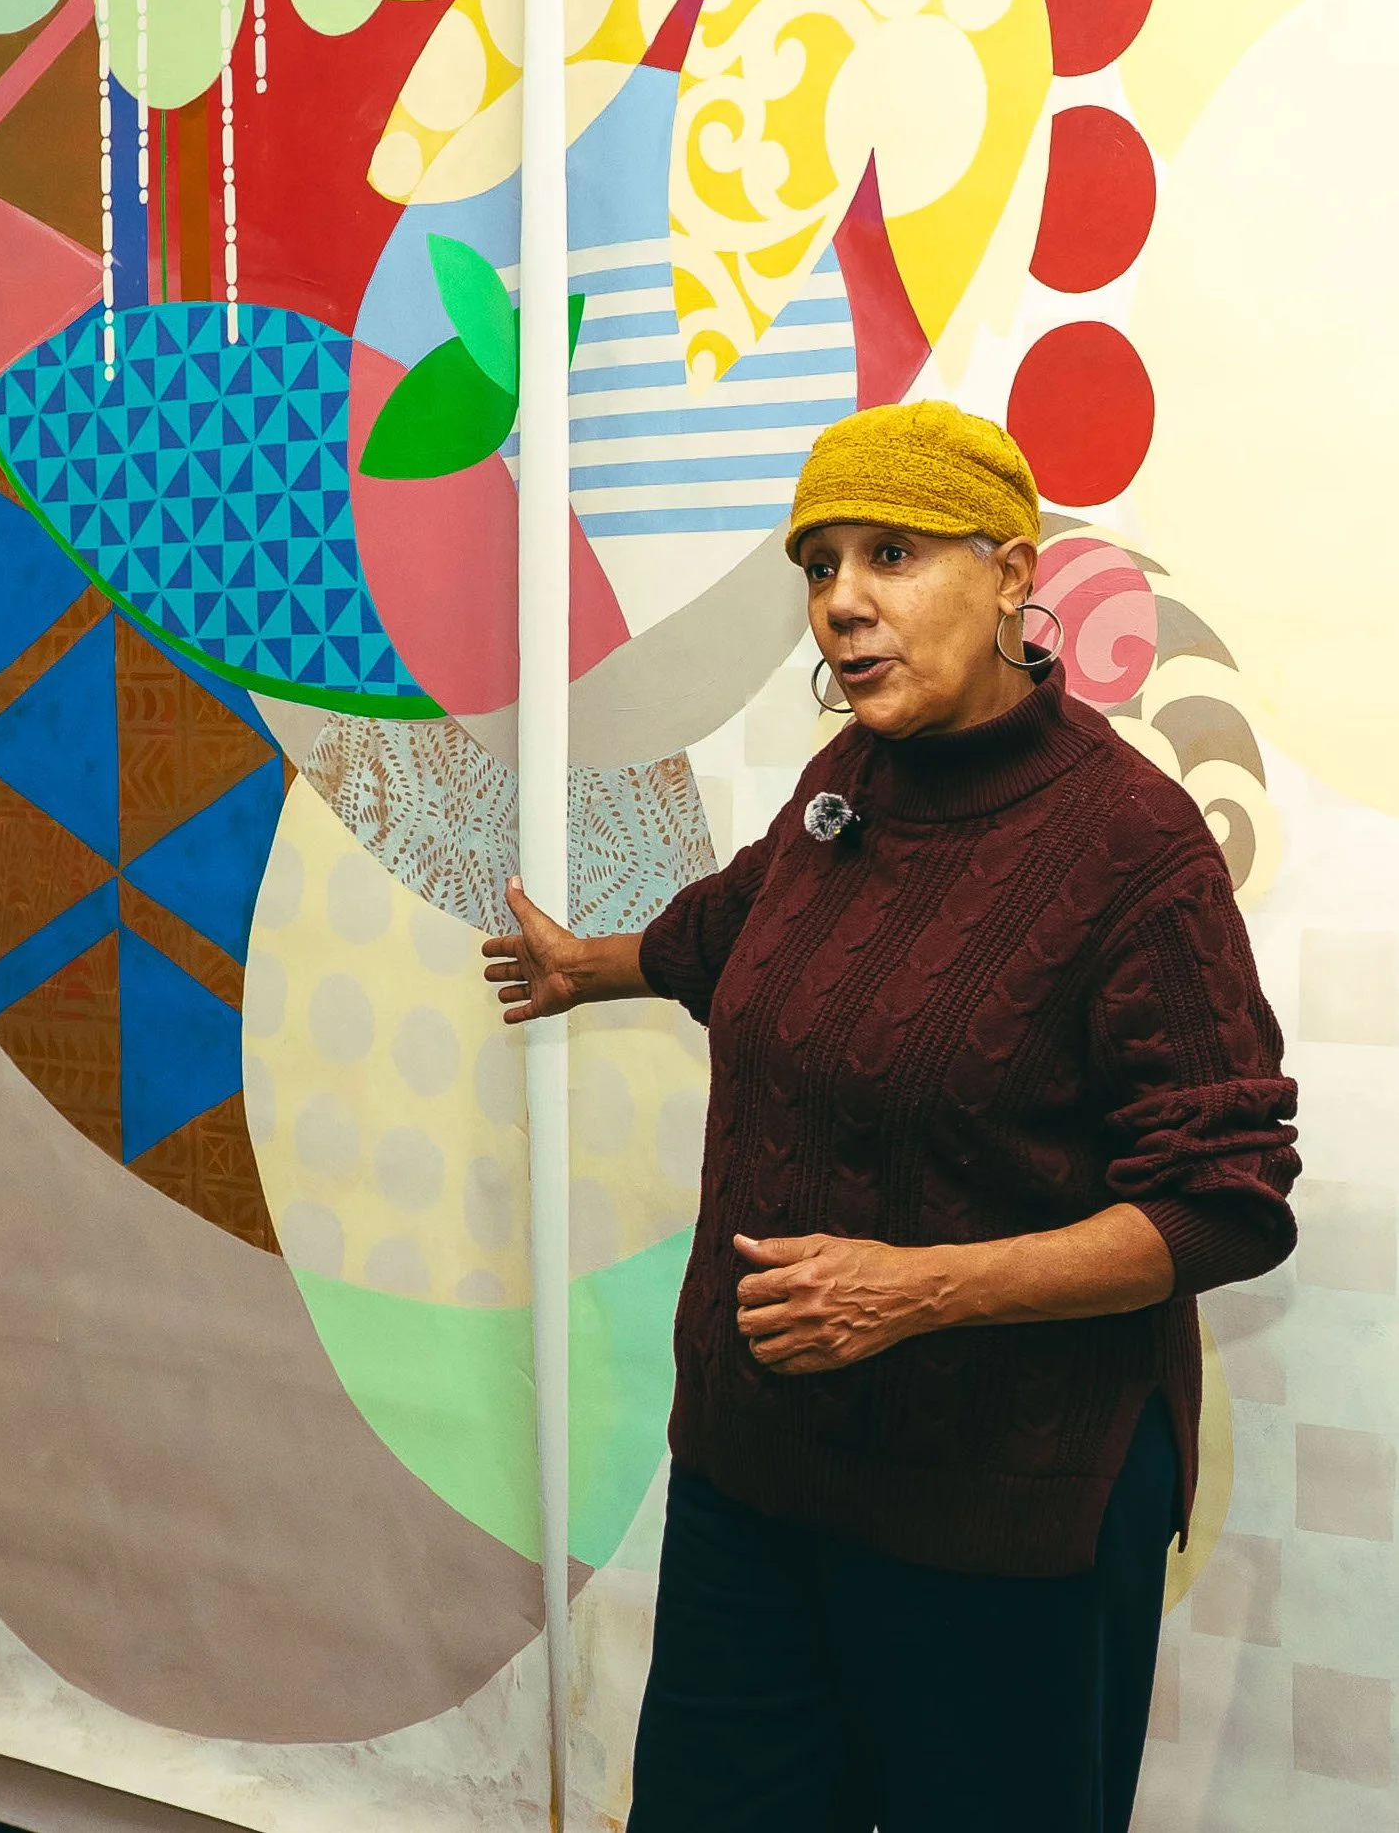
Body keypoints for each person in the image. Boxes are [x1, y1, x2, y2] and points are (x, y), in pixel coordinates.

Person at [482, 400, 1300, 1833]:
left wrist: (915, 1291)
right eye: (820, 565)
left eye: (893, 554)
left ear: (1011, 572)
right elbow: (740, 928)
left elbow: (1225, 1199)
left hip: (999, 1519)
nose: (843, 602)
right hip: (756, 1478)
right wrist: (587, 968)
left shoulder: (1133, 849)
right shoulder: (845, 784)